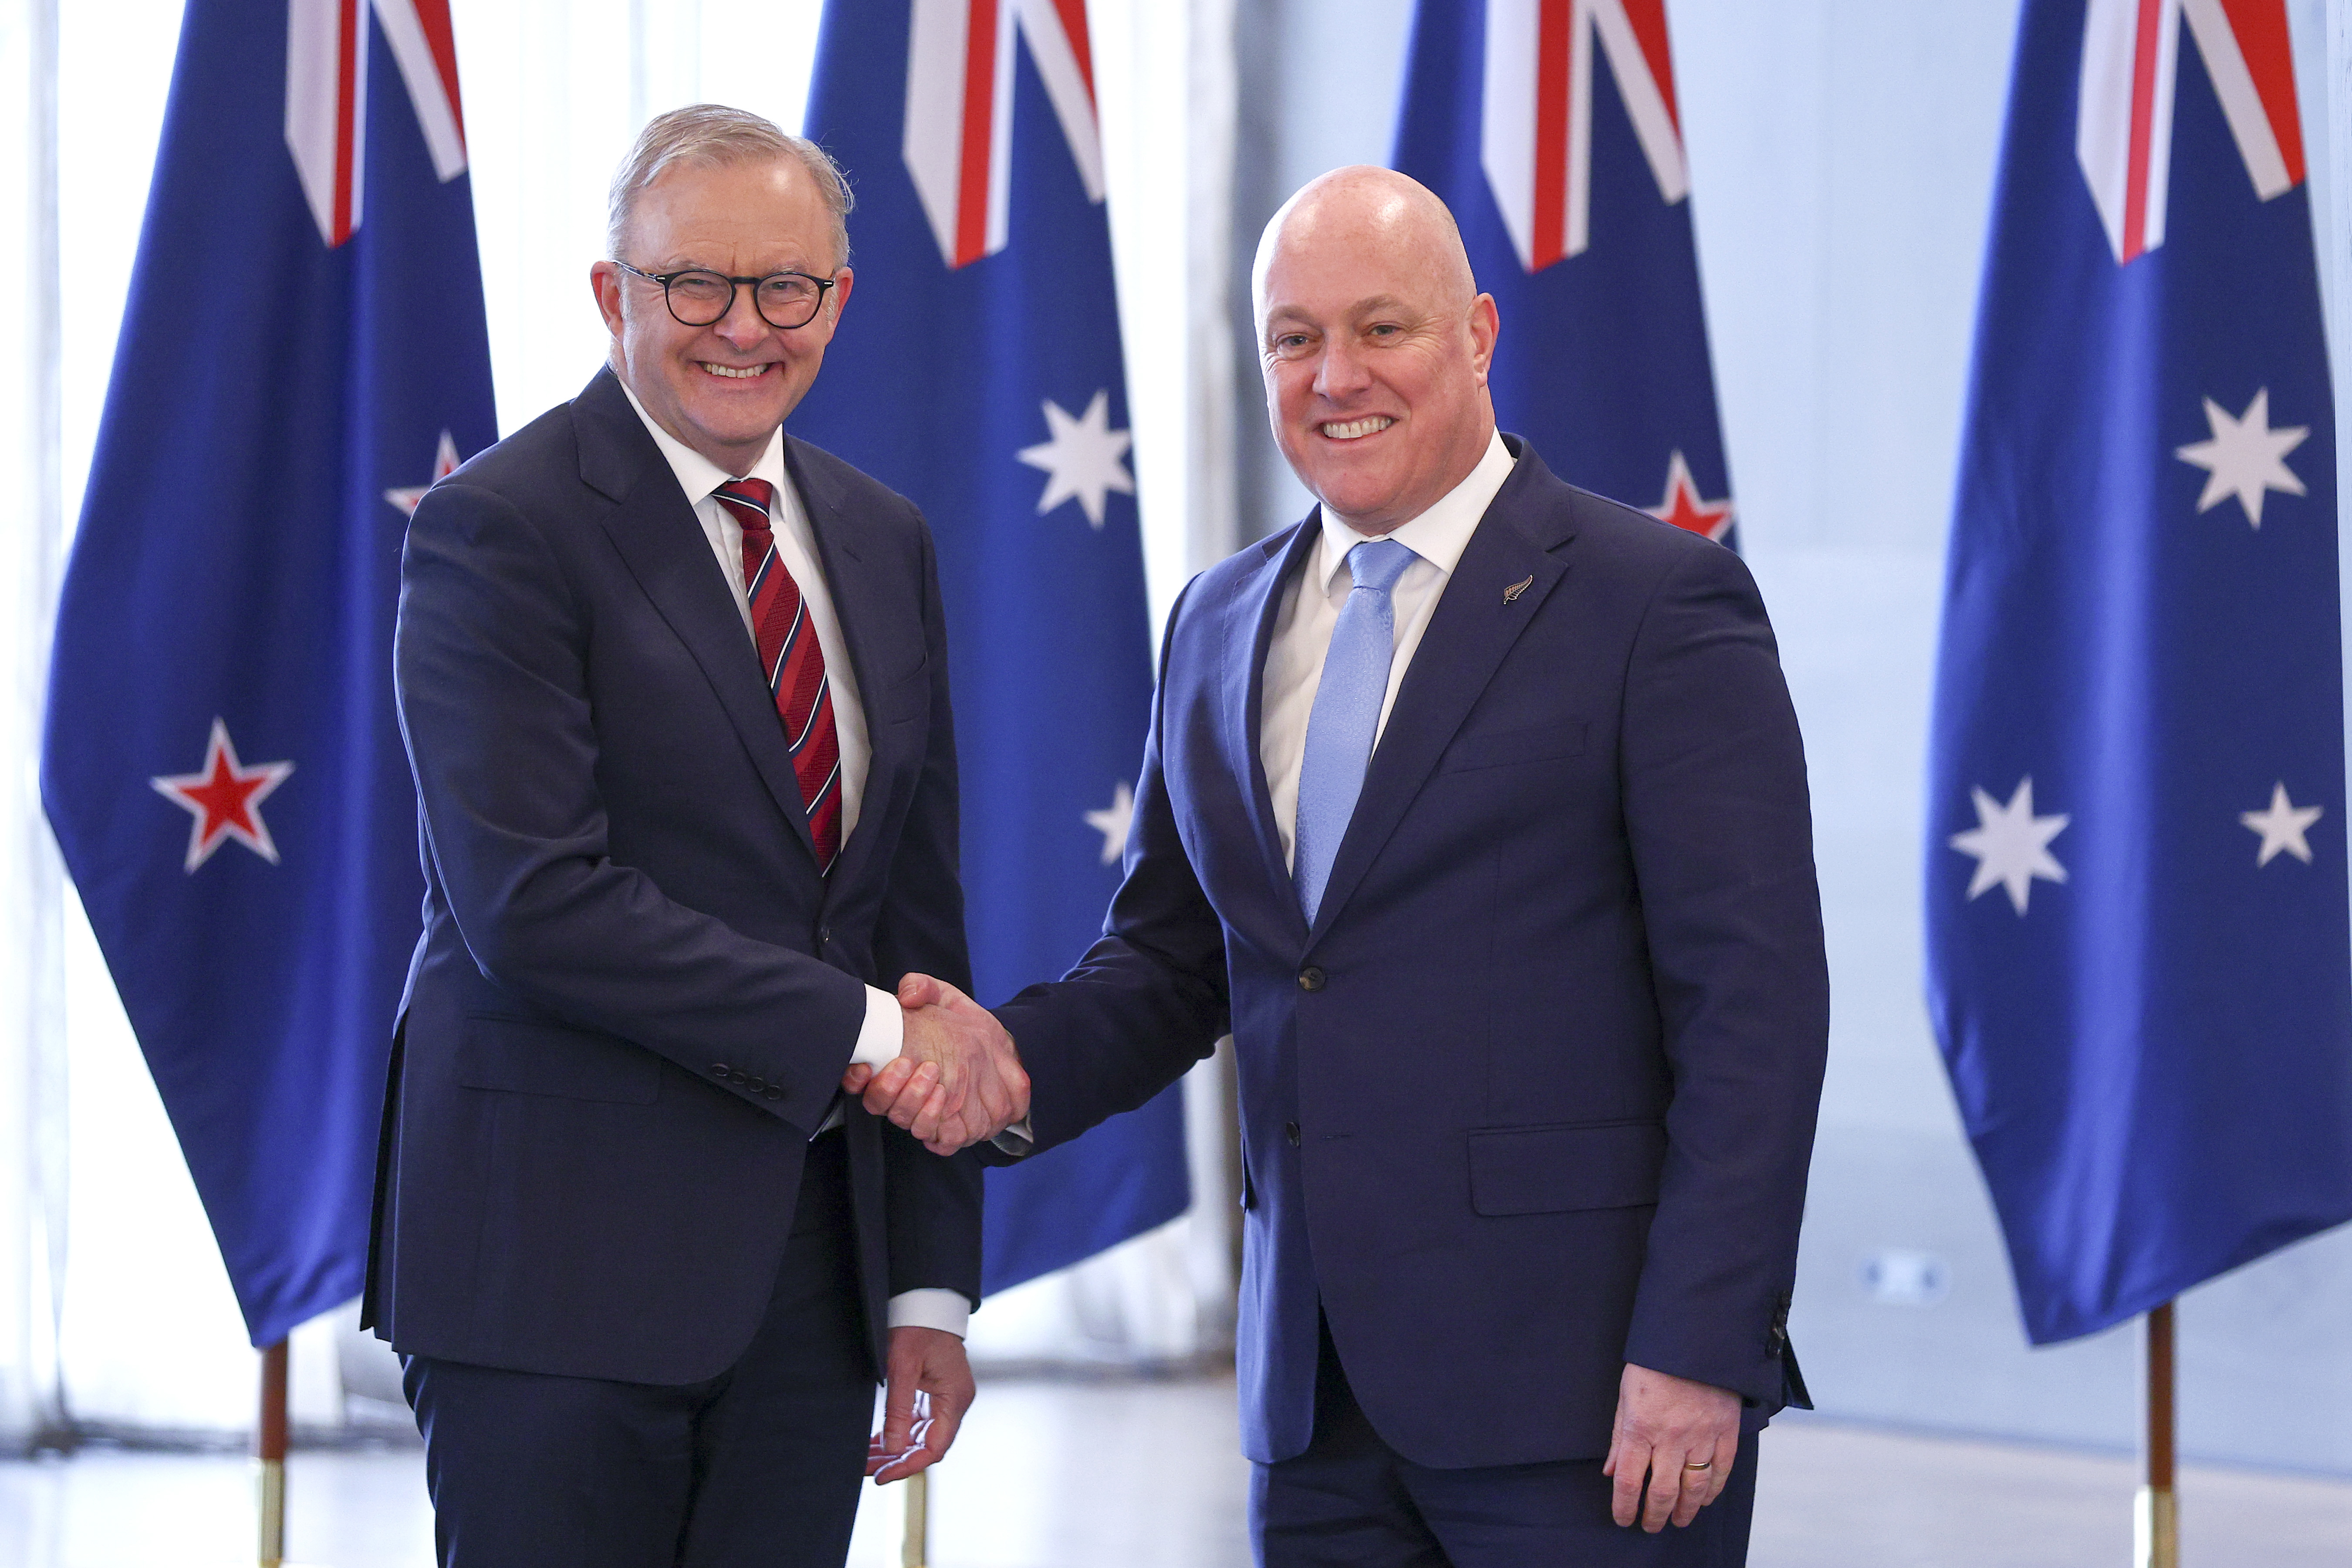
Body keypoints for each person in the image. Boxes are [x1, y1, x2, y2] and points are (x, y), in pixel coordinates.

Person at [855, 166, 1828, 1565]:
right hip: (1315, 1411)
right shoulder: (1216, 620)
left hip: (1592, 1400)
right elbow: (1176, 964)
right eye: (1294, 337)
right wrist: (998, 1060)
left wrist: (1701, 1345)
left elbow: (1757, 1014)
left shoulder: (1653, 605)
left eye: (1385, 328)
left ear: (1479, 335)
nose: (1336, 375)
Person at [364, 105, 1027, 1568]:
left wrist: (925, 1287)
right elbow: (533, 903)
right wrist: (868, 1031)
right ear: (616, 296)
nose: (745, 325)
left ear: (838, 301)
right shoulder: (499, 530)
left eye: (785, 285)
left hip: (809, 1279)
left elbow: (912, 922)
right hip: (550, 1270)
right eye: (695, 285)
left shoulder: (881, 537)